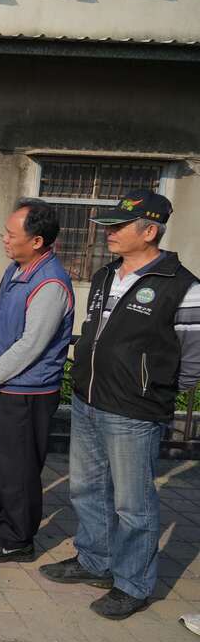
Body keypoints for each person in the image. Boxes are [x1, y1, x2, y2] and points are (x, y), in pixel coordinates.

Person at [39, 189, 199, 620]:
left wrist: (152, 390)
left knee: (133, 504)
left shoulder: (182, 287)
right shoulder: (106, 274)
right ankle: (95, 559)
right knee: (86, 487)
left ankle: (133, 584)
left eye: (118, 226)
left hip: (134, 412)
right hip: (89, 399)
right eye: (107, 225)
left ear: (149, 231)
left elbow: (193, 359)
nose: (108, 233)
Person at [0, 200, 74, 562]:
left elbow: (32, 344)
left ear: (38, 241)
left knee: (20, 468)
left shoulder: (50, 283)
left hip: (27, 391)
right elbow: (0, 322)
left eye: (12, 234)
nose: (5, 239)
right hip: (2, 384)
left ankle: (18, 538)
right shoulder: (17, 269)